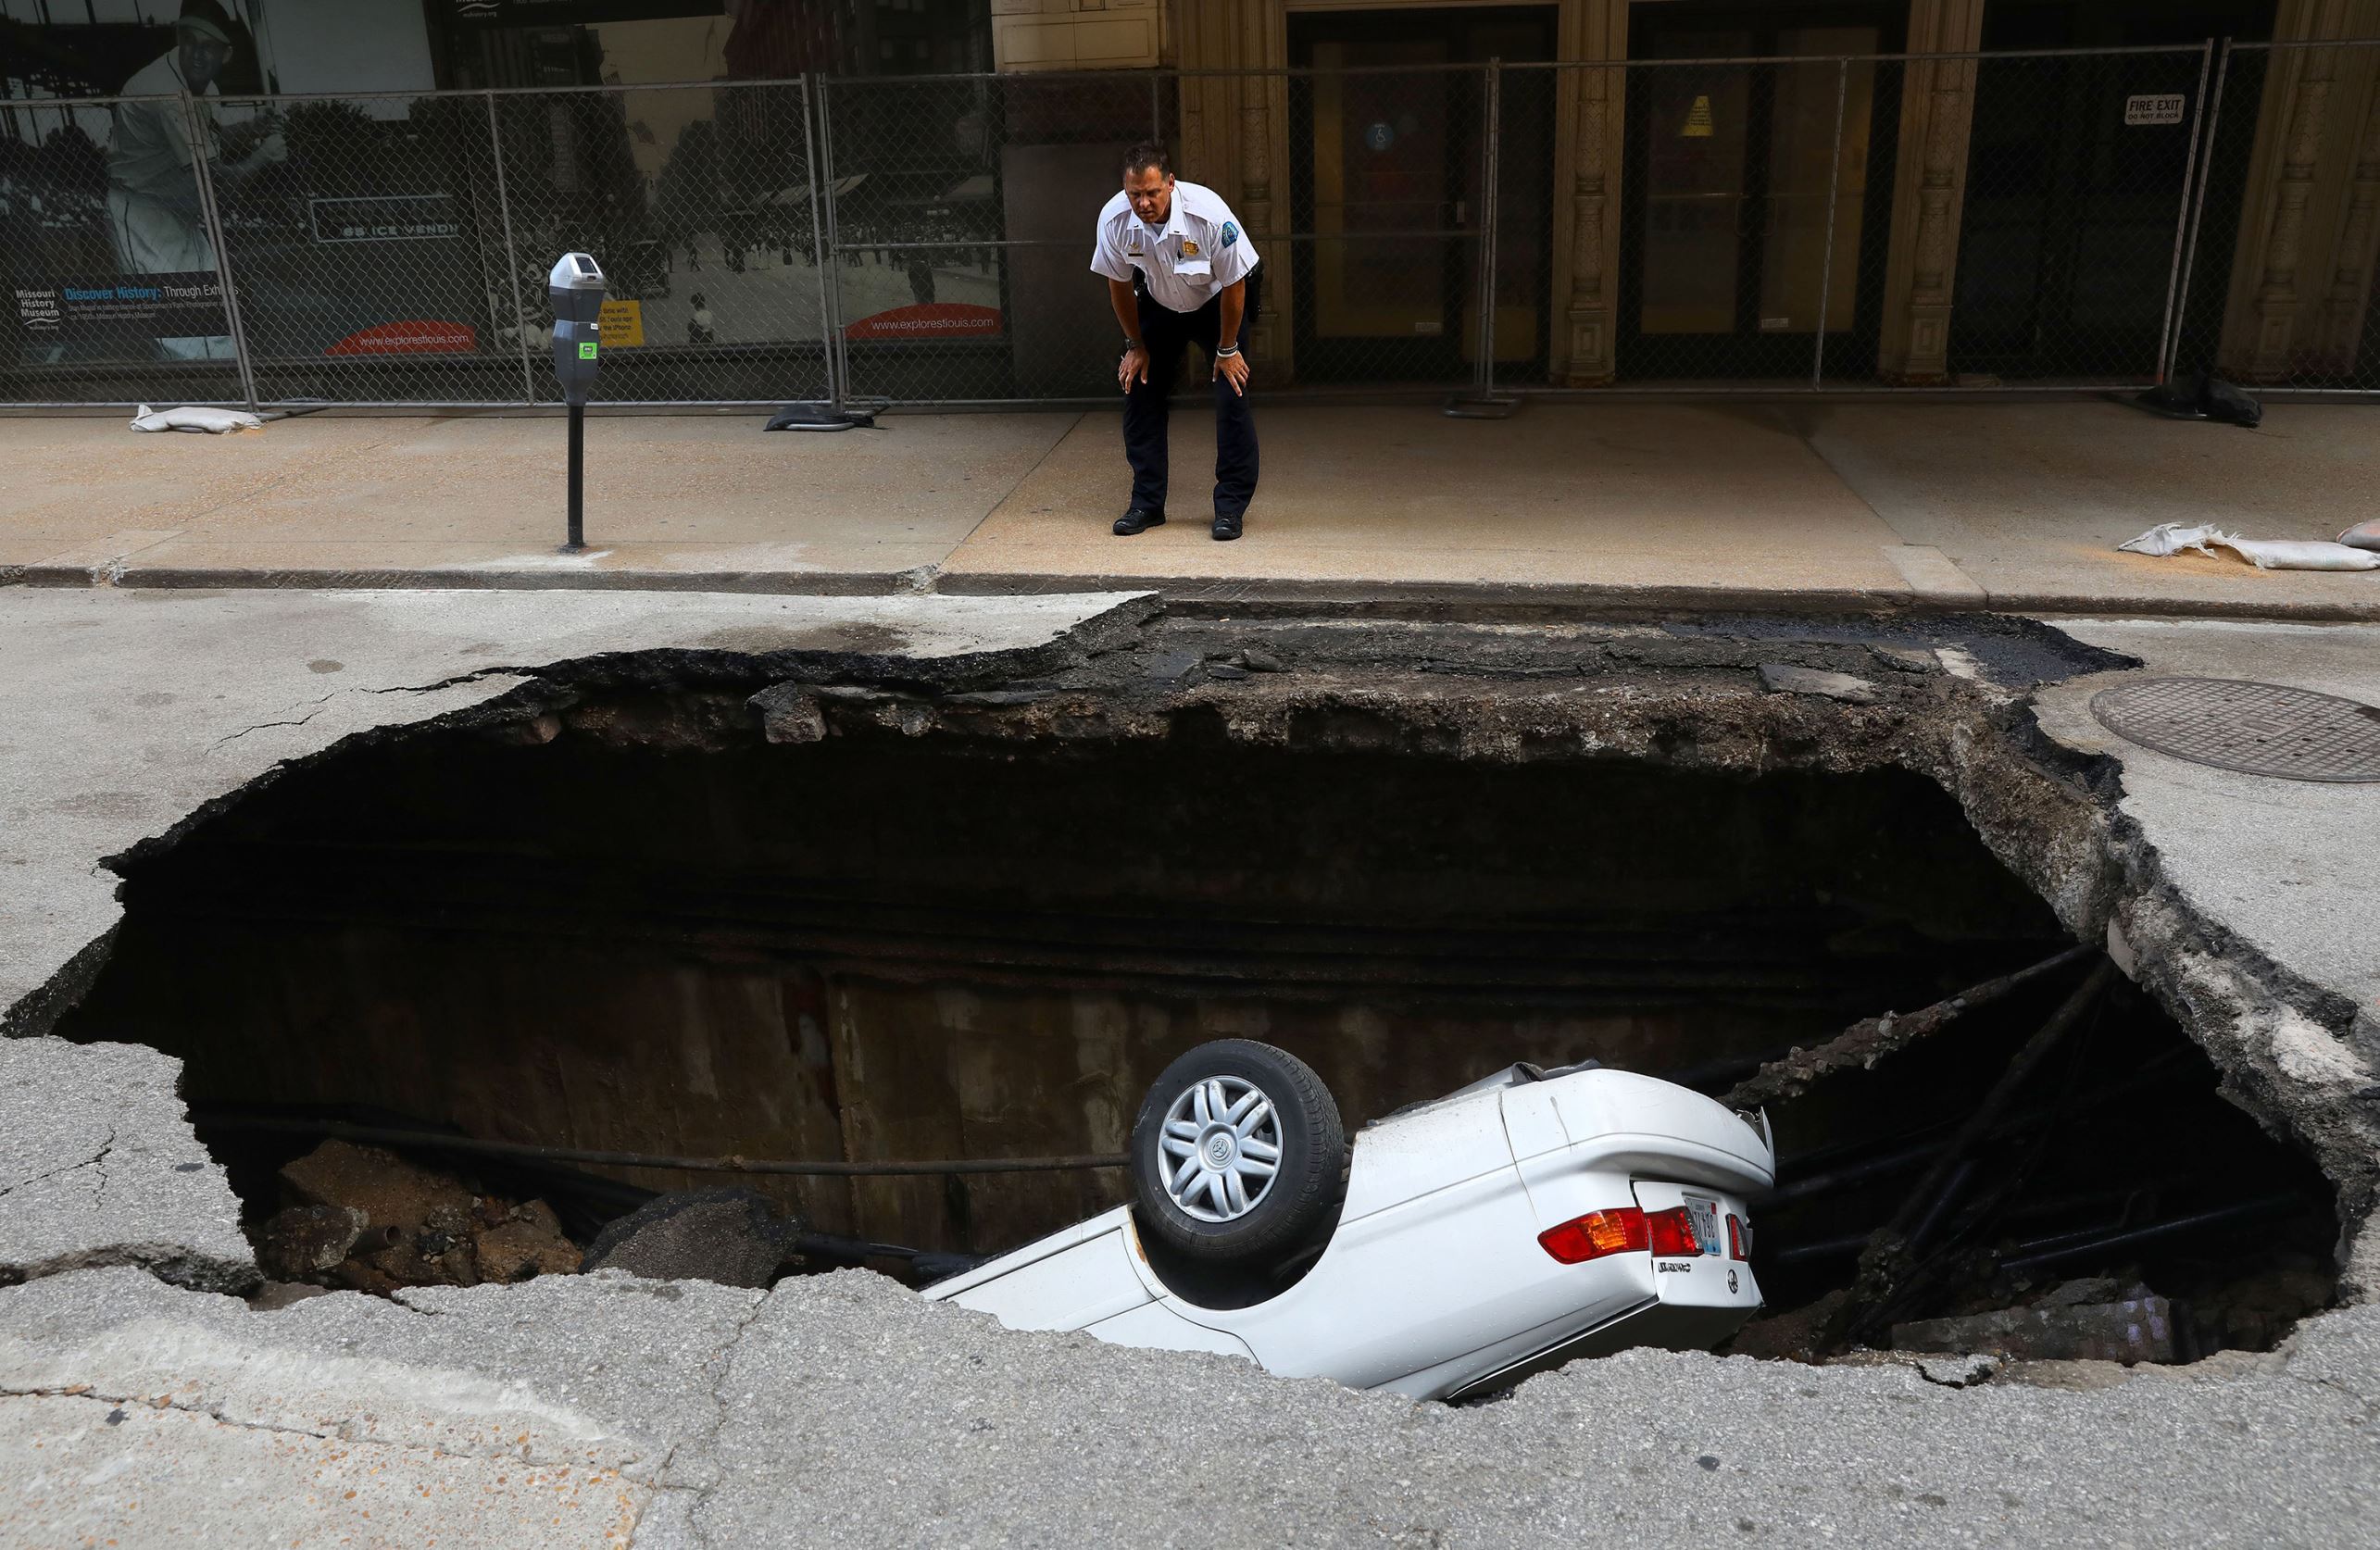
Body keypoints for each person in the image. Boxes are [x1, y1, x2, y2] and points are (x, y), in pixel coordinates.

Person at [1090, 142, 1260, 542]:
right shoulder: (1113, 220)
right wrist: (1135, 344)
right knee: (1140, 393)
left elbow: (1236, 282)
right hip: (1159, 303)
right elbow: (1117, 284)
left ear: (1170, 182)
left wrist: (1228, 348)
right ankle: (1146, 505)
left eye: (1151, 192)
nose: (1144, 203)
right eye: (1135, 194)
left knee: (1231, 397)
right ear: (1124, 188)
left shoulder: (1209, 214)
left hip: (1217, 302)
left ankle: (1230, 510)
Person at [105, 0, 283, 360]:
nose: (198, 54)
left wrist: (251, 128)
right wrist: (263, 157)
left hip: (179, 210)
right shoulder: (169, 94)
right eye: (189, 41)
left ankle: (229, 387)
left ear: (226, 53)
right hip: (143, 213)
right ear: (178, 39)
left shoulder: (202, 86)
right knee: (180, 324)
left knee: (216, 305)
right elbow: (216, 182)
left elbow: (209, 142)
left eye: (209, 46)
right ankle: (195, 399)